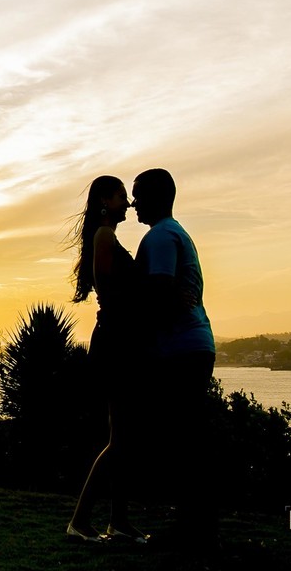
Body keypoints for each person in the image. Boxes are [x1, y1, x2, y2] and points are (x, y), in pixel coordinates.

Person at [131, 168, 218, 551]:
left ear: (155, 195)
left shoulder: (161, 236)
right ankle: (196, 523)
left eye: (138, 194)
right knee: (188, 439)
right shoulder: (176, 232)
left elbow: (159, 295)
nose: (133, 202)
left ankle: (191, 527)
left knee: (182, 441)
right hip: (193, 344)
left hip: (180, 349)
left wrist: (140, 341)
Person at [65, 175, 151, 544]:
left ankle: (118, 521)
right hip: (116, 342)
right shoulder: (103, 236)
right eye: (121, 197)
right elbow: (111, 291)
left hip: (120, 339)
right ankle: (81, 521)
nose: (128, 203)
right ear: (104, 201)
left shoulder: (107, 237)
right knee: (122, 439)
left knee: (124, 437)